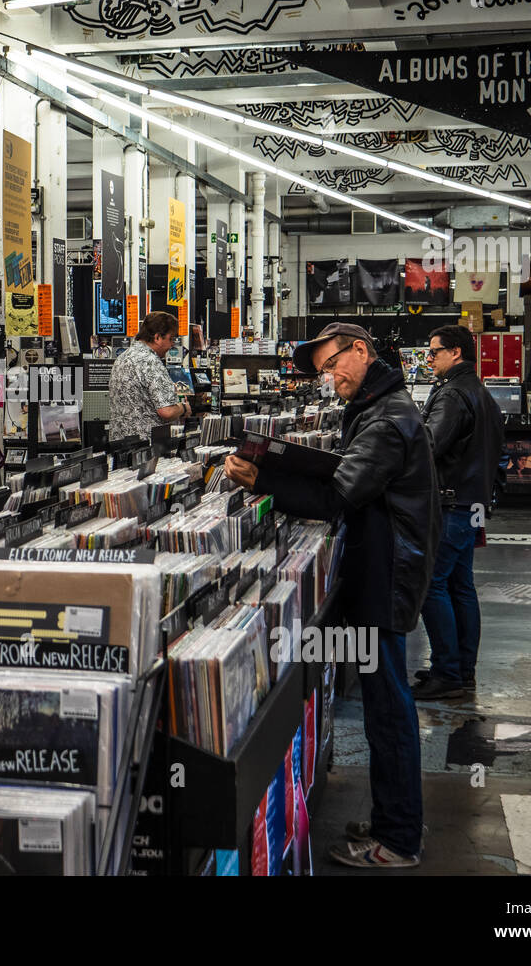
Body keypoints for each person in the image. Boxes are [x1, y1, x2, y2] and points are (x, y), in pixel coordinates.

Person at [223, 322, 439, 868]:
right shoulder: (376, 408)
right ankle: (398, 816)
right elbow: (345, 478)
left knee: (388, 709)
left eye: (332, 365)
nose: (328, 378)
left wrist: (263, 479)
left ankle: (398, 840)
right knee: (382, 704)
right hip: (378, 571)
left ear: (360, 350)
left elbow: (342, 495)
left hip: (385, 578)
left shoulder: (388, 419)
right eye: (321, 371)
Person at [414, 324, 504, 699]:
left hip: (452, 504)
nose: (429, 358)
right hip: (473, 503)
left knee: (430, 584)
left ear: (456, 352)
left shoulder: (452, 395)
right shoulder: (482, 394)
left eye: (434, 351)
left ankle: (448, 672)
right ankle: (462, 670)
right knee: (460, 585)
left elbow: (428, 445)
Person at [108, 311, 191, 441]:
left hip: (120, 441)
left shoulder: (122, 358)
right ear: (157, 337)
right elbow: (167, 411)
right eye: (171, 339)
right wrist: (184, 407)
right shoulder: (150, 361)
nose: (172, 345)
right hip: (146, 445)